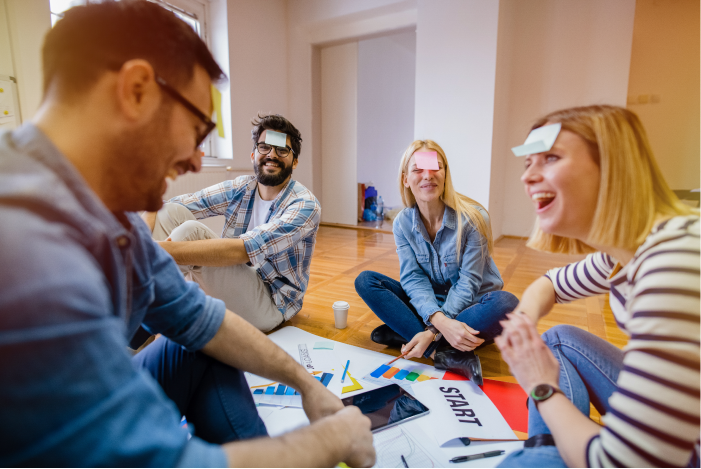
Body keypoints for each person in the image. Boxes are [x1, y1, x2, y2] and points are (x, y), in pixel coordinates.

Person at [0, 2, 375, 466]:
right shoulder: (25, 248)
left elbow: (205, 321)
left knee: (200, 339)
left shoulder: (110, 220)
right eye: (198, 129)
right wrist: (331, 442)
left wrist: (306, 383)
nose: (198, 160)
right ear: (136, 90)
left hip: (270, 300)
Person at [495, 105, 701, 468]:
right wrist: (524, 324)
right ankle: (550, 445)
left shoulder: (675, 263)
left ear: (613, 169)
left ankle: (547, 451)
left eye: (551, 158)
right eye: (528, 163)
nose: (528, 177)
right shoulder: (622, 252)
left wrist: (541, 386)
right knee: (557, 337)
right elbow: (550, 284)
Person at [355, 140, 519, 385]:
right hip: (431, 308)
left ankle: (410, 334)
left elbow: (469, 283)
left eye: (435, 168)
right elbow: (413, 278)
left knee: (507, 303)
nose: (428, 175)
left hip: (470, 307)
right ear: (405, 179)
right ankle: (441, 351)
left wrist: (432, 330)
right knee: (367, 281)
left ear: (445, 174)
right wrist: (439, 324)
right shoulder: (402, 223)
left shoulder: (474, 218)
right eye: (418, 169)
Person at [144, 114, 319, 332]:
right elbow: (167, 205)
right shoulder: (241, 188)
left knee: (189, 232)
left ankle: (144, 318)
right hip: (234, 279)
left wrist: (159, 250)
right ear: (254, 154)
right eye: (265, 147)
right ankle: (151, 303)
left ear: (294, 161)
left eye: (282, 150)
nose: (272, 155)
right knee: (170, 213)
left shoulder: (304, 205)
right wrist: (141, 238)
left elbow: (245, 250)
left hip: (272, 304)